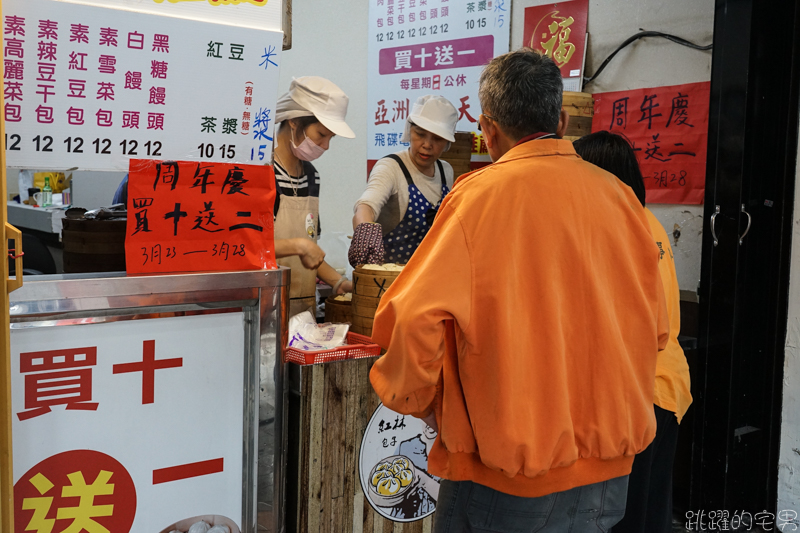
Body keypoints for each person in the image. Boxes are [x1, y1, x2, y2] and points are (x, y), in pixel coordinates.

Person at [368, 48, 670, 533]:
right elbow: (656, 330)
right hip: (610, 475)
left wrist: (419, 401)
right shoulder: (622, 200)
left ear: (487, 128)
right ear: (563, 119)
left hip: (505, 476)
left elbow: (410, 318)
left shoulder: (476, 195)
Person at [574, 131, 692, 533]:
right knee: (650, 510)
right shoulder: (650, 222)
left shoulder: (613, 228)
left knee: (621, 515)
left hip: (635, 393)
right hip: (667, 385)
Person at [272, 76, 355, 316]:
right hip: (265, 307)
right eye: (321, 134)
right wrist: (298, 245)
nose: (326, 145)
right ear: (295, 122)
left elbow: (311, 250)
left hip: (302, 310)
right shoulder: (263, 172)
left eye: (331, 138)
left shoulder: (311, 175)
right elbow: (245, 247)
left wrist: (339, 282)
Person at [349, 95, 458, 267]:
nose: (427, 145)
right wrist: (365, 231)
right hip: (388, 281)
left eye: (437, 139)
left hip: (427, 276)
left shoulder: (446, 172)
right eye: (420, 134)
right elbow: (366, 206)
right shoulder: (391, 167)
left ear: (447, 142)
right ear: (409, 131)